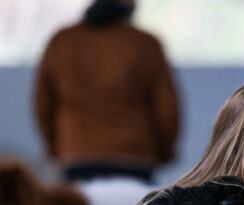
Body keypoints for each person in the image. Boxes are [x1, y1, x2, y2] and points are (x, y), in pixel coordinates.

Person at [34, 0, 179, 183]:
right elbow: (167, 109)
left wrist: (56, 148)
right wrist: (164, 152)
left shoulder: (62, 41)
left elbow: (43, 105)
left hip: (75, 152)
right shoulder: (145, 44)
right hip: (135, 155)